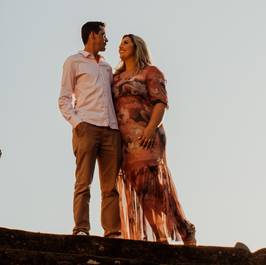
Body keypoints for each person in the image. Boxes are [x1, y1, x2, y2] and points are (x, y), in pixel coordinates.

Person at [112, 34, 196, 245]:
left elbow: (160, 102)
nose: (120, 46)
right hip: (124, 141)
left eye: (126, 42)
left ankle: (183, 227)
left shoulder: (151, 72)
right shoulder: (115, 77)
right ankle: (160, 237)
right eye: (121, 42)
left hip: (147, 134)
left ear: (137, 47)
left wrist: (150, 128)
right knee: (142, 189)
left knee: (151, 184)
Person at [58, 21, 122, 237]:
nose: (106, 39)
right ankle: (82, 229)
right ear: (92, 35)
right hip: (86, 128)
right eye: (103, 35)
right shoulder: (73, 62)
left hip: (111, 130)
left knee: (111, 187)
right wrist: (78, 124)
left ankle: (113, 232)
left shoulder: (107, 67)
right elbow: (64, 99)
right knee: (83, 182)